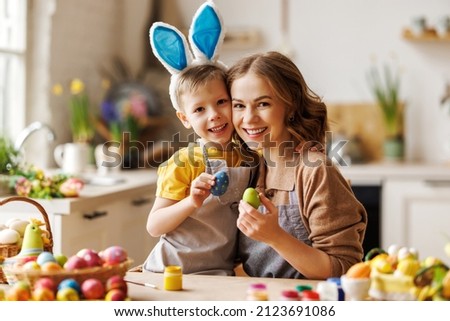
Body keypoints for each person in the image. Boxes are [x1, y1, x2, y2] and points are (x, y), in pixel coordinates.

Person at [228, 51, 367, 280]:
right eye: (239, 106)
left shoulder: (315, 171)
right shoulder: (250, 169)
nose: (249, 118)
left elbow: (344, 268)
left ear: (290, 106)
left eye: (262, 104)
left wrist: (275, 236)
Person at [142, 1, 257, 275]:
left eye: (221, 101)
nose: (214, 115)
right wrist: (191, 202)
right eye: (199, 109)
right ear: (185, 119)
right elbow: (154, 226)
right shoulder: (184, 163)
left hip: (219, 273)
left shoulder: (249, 156)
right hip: (173, 272)